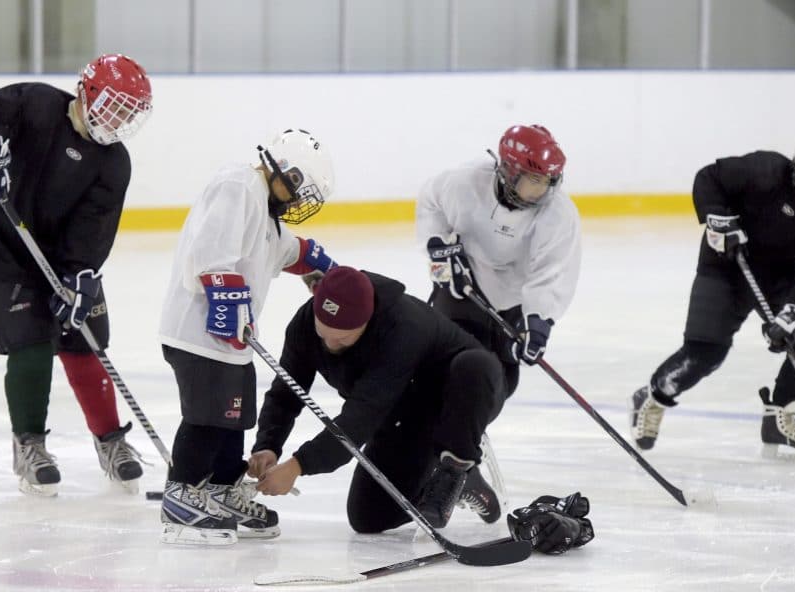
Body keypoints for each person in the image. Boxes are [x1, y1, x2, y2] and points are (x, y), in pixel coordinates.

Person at [0, 54, 154, 497]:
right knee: (33, 346)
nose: (119, 121)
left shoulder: (114, 163)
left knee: (87, 344)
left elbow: (94, 229)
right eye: (115, 107)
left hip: (63, 264)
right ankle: (30, 446)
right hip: (5, 258)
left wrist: (80, 277)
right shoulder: (37, 104)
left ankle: (110, 441)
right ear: (88, 93)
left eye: (128, 114)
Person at [158, 128, 338, 545]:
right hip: (196, 332)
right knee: (207, 416)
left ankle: (221, 489)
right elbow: (207, 252)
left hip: (231, 341)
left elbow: (289, 250)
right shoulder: (238, 185)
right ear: (287, 173)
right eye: (299, 191)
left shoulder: (267, 212)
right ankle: (180, 498)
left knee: (234, 416)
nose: (297, 202)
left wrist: (325, 270)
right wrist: (225, 298)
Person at [629, 122, 795, 458]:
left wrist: (793, 315)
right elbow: (709, 178)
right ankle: (653, 396)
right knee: (705, 353)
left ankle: (780, 417)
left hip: (777, 278)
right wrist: (718, 219)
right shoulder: (765, 169)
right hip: (725, 266)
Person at [248, 266, 508, 534]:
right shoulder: (304, 325)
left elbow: (361, 416)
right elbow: (286, 391)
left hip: (461, 401)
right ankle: (462, 482)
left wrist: (298, 465)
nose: (331, 345)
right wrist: (268, 445)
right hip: (400, 414)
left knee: (475, 365)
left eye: (343, 338)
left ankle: (456, 467)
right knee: (369, 517)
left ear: (368, 321)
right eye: (323, 334)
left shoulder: (402, 327)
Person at [414, 124, 581, 518]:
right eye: (533, 181)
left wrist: (539, 322)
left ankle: (458, 462)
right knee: (439, 377)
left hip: (512, 304)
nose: (541, 191)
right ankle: (453, 467)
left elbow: (551, 273)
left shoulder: (558, 216)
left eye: (547, 182)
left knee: (498, 385)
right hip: (462, 293)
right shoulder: (464, 183)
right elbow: (431, 204)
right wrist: (440, 251)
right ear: (507, 170)